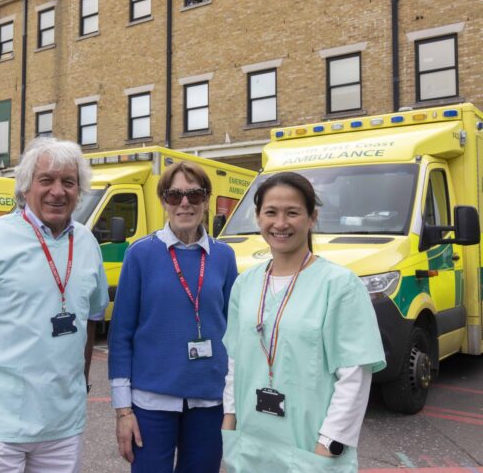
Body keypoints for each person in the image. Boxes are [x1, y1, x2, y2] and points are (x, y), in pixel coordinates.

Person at [0, 137, 109, 472]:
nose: (58, 191)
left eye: (68, 182)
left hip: (61, 428)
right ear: (26, 187)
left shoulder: (87, 244)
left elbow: (90, 321)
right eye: (47, 180)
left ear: (79, 190)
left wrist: (79, 385)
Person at [221, 172, 386, 472]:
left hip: (310, 448)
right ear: (258, 218)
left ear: (312, 218)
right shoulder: (245, 285)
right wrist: (229, 422)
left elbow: (354, 376)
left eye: (292, 212)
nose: (280, 223)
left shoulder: (339, 285)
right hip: (249, 445)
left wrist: (329, 443)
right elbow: (235, 362)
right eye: (270, 212)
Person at [108, 161, 238, 472]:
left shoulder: (224, 256)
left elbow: (234, 333)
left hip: (209, 400)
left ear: (206, 201)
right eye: (174, 195)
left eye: (194, 195)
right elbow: (122, 333)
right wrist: (123, 410)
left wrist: (233, 402)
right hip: (151, 401)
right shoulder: (140, 254)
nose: (184, 203)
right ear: (164, 200)